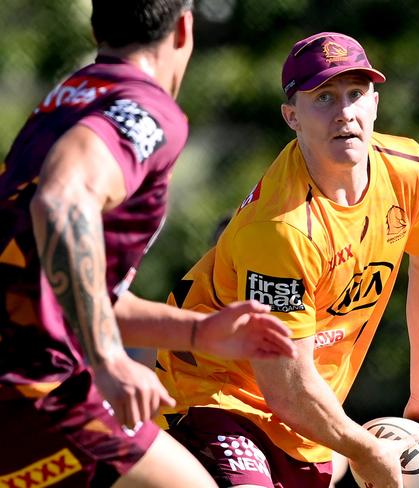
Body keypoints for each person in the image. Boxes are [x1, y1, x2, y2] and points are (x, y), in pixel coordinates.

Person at [0, 1, 296, 486]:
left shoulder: (65, 99)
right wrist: (109, 358)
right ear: (184, 28)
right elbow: (60, 203)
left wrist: (197, 333)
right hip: (37, 387)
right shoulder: (149, 109)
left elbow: (71, 291)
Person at [156, 31, 419, 488]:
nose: (345, 113)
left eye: (356, 94)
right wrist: (362, 448)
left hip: (308, 411)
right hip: (215, 392)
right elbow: (286, 386)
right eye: (323, 97)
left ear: (375, 104)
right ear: (291, 117)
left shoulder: (409, 170)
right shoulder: (282, 228)